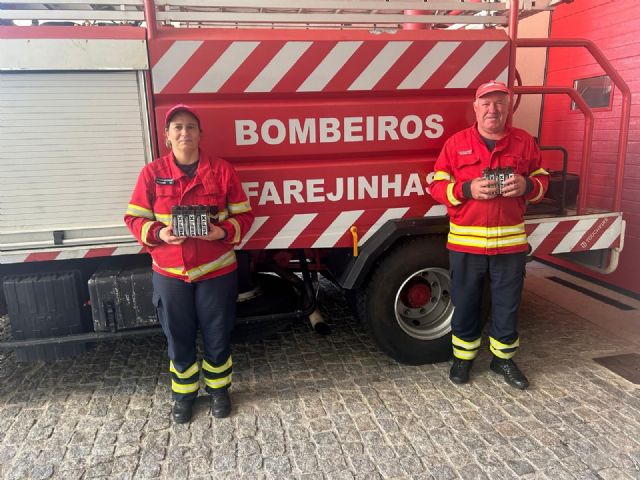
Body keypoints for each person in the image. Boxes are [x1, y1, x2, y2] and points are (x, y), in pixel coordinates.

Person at [125, 104, 254, 422]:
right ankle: (184, 396)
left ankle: (219, 391)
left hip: (216, 270)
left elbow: (245, 215)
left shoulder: (222, 171)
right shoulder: (152, 174)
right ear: (167, 136)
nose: (185, 132)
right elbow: (134, 218)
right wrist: (160, 233)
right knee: (178, 336)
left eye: (191, 127)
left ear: (200, 134)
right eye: (178, 127)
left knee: (217, 333)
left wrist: (221, 231)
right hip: (170, 273)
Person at [429, 81, 549, 390]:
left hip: (509, 245)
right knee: (466, 302)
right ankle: (462, 359)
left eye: (499, 103)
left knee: (507, 305)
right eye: (486, 103)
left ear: (508, 108)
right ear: (476, 107)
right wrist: (466, 189)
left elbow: (542, 178)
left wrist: (528, 186)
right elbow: (436, 184)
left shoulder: (524, 142)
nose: (492, 109)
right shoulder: (456, 144)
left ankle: (503, 359)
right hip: (466, 244)